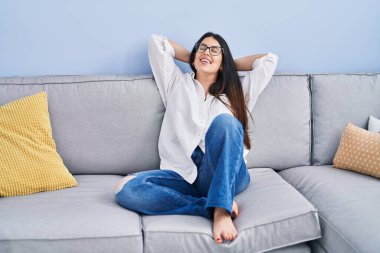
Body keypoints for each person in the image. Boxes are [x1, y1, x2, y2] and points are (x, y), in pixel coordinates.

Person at [114, 32, 278, 244]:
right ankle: (204, 207)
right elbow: (157, 43)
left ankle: (221, 209)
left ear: (223, 61)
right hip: (184, 173)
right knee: (126, 188)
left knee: (225, 123)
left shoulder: (238, 93)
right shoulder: (175, 84)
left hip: (226, 170)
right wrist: (198, 57)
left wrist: (226, 64)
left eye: (214, 50)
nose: (206, 52)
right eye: (201, 48)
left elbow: (268, 61)